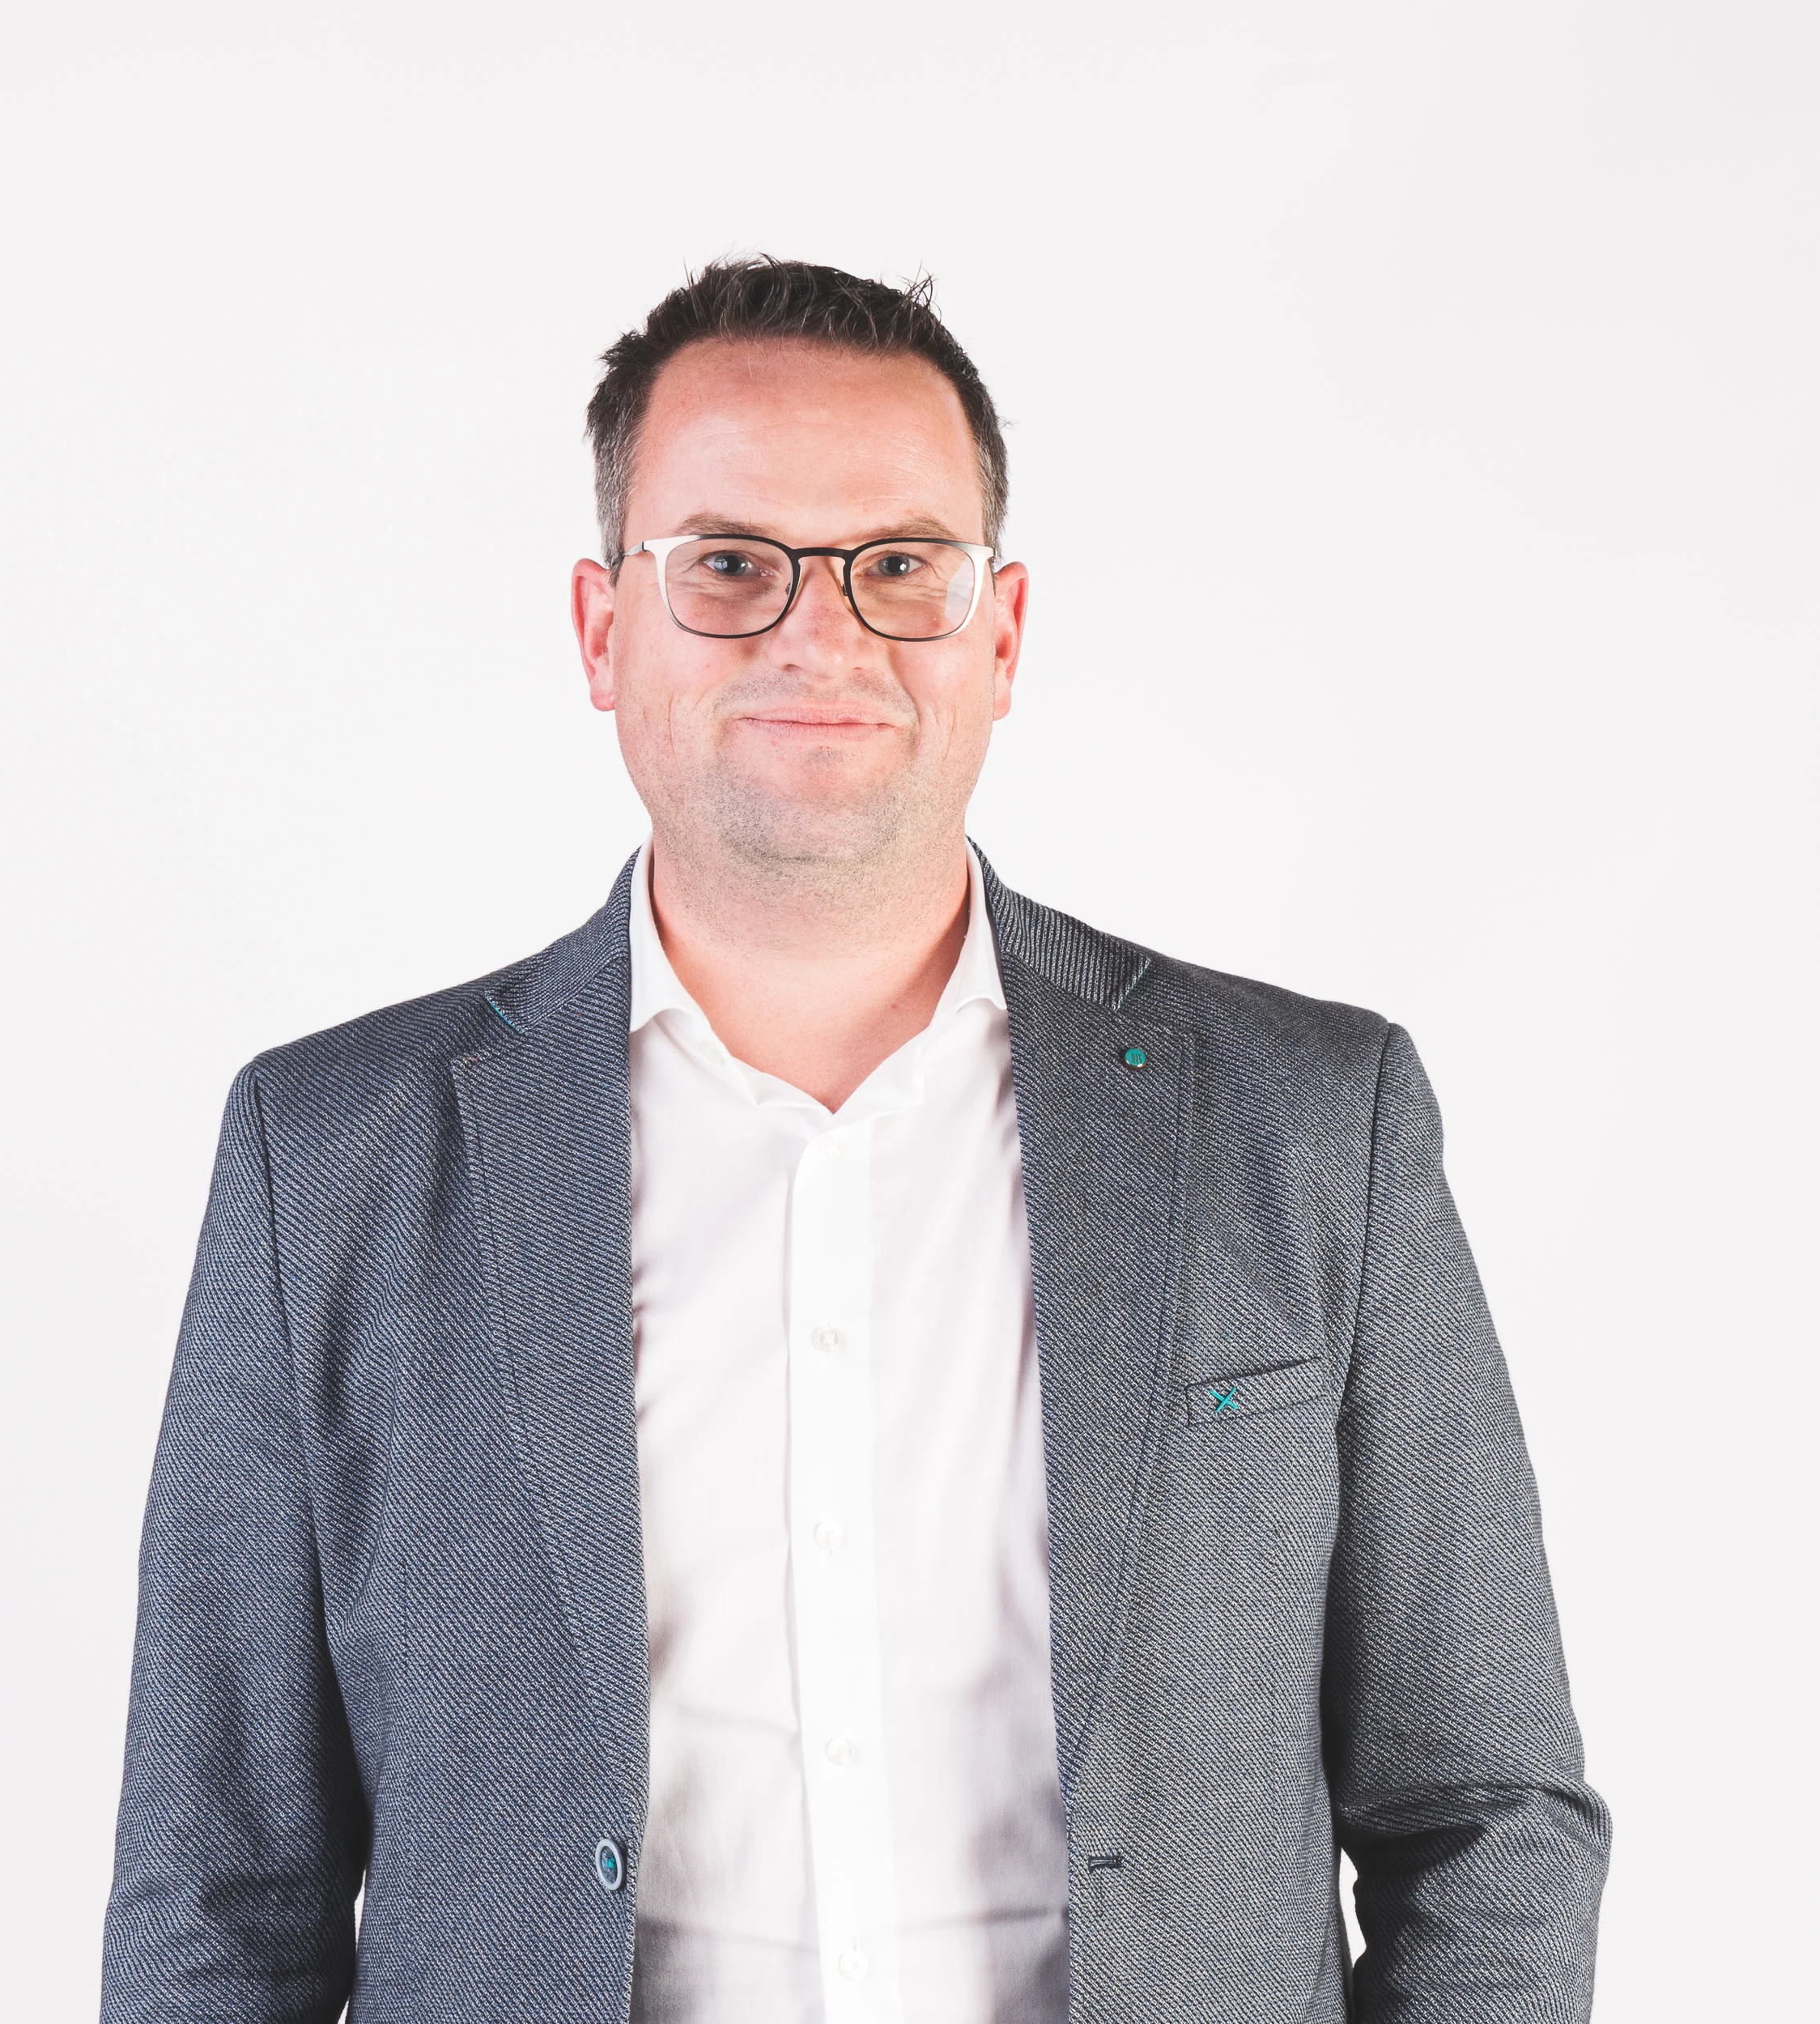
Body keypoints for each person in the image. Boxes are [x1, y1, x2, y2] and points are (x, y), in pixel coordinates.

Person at [101, 257, 1610, 2024]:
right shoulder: (329, 1158)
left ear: (1001, 634)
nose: (819, 635)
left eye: (898, 566)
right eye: (728, 564)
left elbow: (1488, 1817)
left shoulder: (1307, 1120)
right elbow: (219, 1887)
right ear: (601, 630)